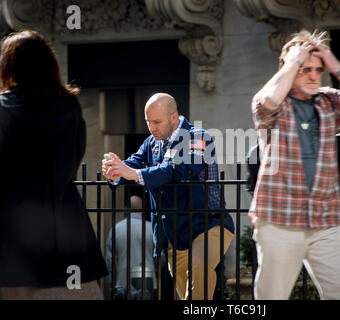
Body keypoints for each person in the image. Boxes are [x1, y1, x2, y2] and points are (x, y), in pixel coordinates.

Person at [249, 29, 340, 300]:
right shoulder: (274, 102)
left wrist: (337, 67)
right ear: (289, 68)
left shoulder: (329, 101)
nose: (314, 75)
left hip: (326, 220)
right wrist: (292, 61)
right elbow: (266, 104)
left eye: (318, 69)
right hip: (280, 219)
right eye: (305, 69)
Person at [0, 30, 108, 300]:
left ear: (8, 65)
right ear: (50, 64)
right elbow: (73, 160)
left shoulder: (2, 109)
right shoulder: (69, 107)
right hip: (66, 230)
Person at [102, 93, 235, 300]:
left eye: (157, 122)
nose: (152, 127)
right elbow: (132, 165)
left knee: (198, 266)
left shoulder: (198, 137)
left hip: (209, 224)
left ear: (174, 118)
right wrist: (115, 171)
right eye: (148, 122)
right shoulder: (151, 143)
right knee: (186, 294)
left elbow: (177, 170)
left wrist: (133, 173)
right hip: (175, 234)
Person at [105, 195, 157, 299]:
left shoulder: (116, 229)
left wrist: (110, 280)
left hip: (122, 282)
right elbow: (160, 257)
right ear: (143, 209)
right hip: (149, 281)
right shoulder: (152, 229)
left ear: (126, 209)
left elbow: (109, 259)